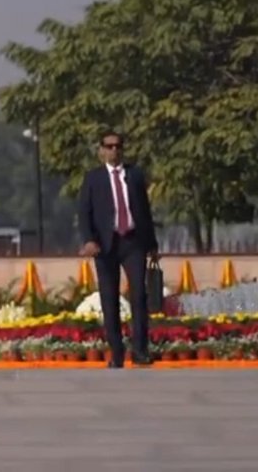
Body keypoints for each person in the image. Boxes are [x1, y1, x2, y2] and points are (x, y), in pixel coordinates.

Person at [79, 130, 158, 367]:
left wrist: (152, 245)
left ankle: (140, 350)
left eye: (118, 146)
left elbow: (144, 211)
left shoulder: (134, 175)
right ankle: (117, 353)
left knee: (139, 296)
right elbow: (84, 212)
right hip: (105, 245)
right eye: (109, 146)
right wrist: (89, 240)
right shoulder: (93, 178)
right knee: (109, 298)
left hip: (132, 242)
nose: (114, 150)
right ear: (101, 150)